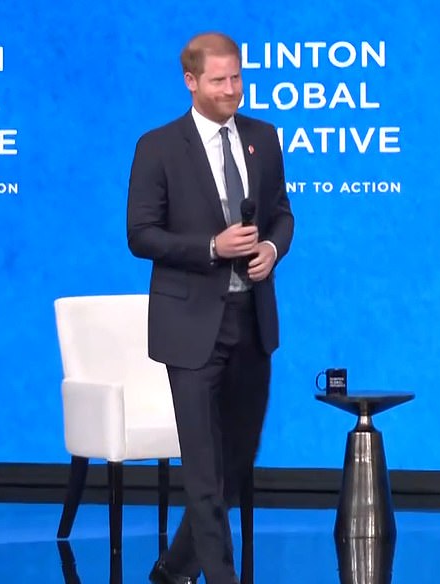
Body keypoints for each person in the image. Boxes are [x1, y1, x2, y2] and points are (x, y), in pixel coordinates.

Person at [127, 32, 294, 584]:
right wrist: (209, 249)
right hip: (191, 327)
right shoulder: (158, 146)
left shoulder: (263, 138)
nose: (232, 90)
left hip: (252, 324)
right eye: (219, 80)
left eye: (237, 78)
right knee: (202, 471)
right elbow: (141, 235)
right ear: (191, 82)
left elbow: (281, 215)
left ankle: (173, 570)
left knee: (235, 466)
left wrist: (270, 249)